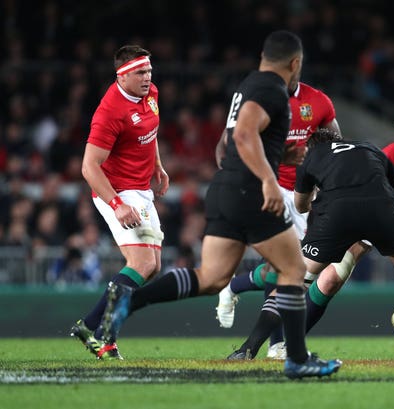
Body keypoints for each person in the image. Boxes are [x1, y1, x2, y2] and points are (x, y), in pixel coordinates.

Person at [97, 30, 342, 379]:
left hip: (226, 188)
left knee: (211, 278)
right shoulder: (271, 89)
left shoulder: (248, 86)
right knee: (293, 270)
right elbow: (242, 136)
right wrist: (270, 181)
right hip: (251, 191)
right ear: (295, 63)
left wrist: (284, 153)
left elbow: (238, 141)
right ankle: (297, 358)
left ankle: (129, 301)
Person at [224, 128, 394, 360]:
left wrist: (318, 193)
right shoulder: (372, 150)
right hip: (383, 211)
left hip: (337, 215)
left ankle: (248, 348)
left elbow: (300, 205)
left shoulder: (311, 157)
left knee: (293, 281)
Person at [214, 77, 341, 359]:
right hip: (267, 187)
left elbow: (336, 142)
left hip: (304, 194)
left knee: (290, 267)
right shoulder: (255, 100)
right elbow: (225, 146)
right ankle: (276, 345)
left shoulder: (318, 101)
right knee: (284, 265)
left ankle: (233, 286)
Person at [69, 45, 169, 360]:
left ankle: (92, 327)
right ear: (121, 76)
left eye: (149, 71)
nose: (147, 77)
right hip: (116, 190)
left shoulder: (150, 93)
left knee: (153, 268)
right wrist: (116, 204)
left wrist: (157, 166)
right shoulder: (110, 112)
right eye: (140, 72)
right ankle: (101, 336)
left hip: (141, 188)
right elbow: (89, 167)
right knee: (142, 264)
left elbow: (149, 132)